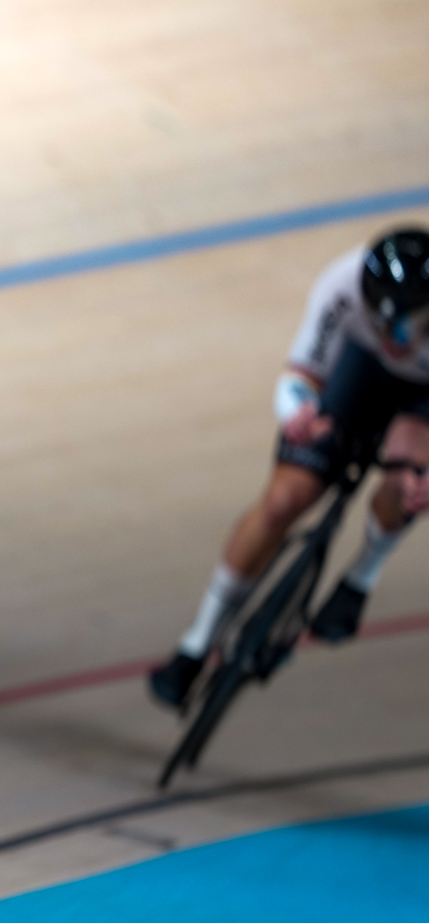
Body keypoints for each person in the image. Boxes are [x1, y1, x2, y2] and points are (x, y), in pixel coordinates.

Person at [149, 227, 429, 707]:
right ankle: (196, 643)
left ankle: (361, 577)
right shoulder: (340, 286)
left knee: (409, 478)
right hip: (357, 370)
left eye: (413, 325)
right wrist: (298, 413)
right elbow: (301, 375)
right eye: (387, 325)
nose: (398, 339)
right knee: (282, 500)